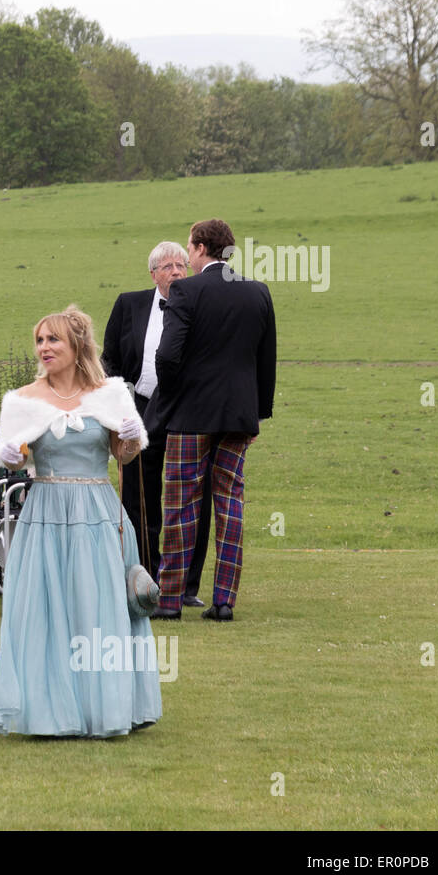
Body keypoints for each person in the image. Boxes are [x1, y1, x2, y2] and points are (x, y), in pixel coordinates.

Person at [0, 306, 161, 737]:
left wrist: (129, 436)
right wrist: (8, 455)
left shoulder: (110, 393)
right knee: (45, 609)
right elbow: (14, 452)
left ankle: (106, 706)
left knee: (96, 606)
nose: (44, 348)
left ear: (77, 345)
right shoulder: (23, 399)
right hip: (44, 510)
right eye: (40, 340)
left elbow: (123, 455)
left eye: (54, 340)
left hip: (97, 511)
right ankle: (48, 710)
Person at [146, 218, 277, 622]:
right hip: (238, 416)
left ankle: (168, 601)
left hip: (191, 416)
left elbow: (167, 357)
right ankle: (224, 601)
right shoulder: (258, 291)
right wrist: (257, 414)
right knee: (230, 504)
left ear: (202, 249)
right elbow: (266, 359)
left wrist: (171, 393)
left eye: (190, 247)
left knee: (181, 506)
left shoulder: (186, 290)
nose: (187, 255)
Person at [101, 242, 210, 617]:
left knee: (192, 495)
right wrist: (117, 405)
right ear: (153, 274)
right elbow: (109, 359)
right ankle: (144, 576)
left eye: (182, 264)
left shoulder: (201, 305)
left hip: (186, 411)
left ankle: (186, 585)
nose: (177, 271)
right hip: (140, 409)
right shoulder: (128, 304)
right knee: (137, 494)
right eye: (167, 266)